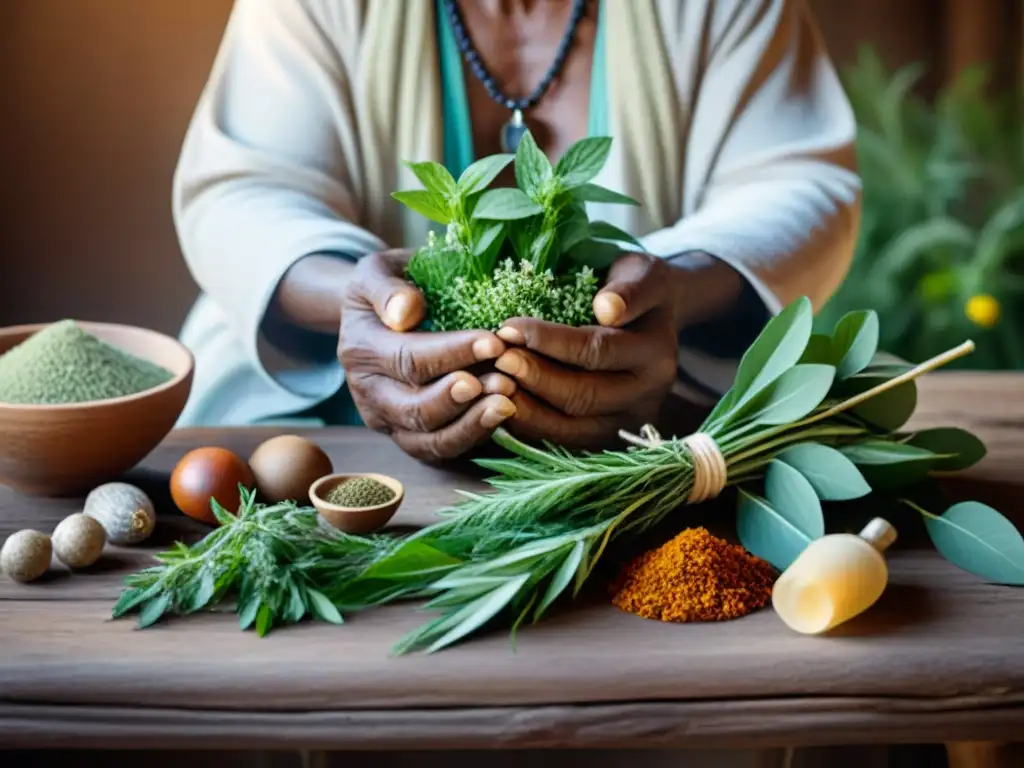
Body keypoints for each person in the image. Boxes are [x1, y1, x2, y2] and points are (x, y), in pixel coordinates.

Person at [172, 0, 861, 466]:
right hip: (328, 425)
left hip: (646, 440)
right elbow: (245, 191)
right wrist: (357, 301)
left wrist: (670, 292)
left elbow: (798, 183)